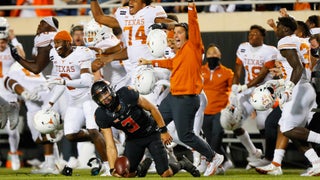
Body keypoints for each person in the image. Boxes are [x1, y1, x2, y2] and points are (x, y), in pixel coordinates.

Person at [139, 1, 224, 176]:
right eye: (175, 32)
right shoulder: (180, 53)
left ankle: (213, 157)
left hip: (186, 98)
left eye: (180, 32)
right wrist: (150, 61)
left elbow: (194, 24)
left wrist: (191, 7)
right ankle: (151, 159)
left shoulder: (193, 46)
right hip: (173, 98)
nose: (176, 35)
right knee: (152, 125)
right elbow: (171, 63)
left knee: (185, 136)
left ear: (188, 35)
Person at [91, 80, 200, 177]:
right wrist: (112, 169)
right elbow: (110, 145)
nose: (104, 98)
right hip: (134, 140)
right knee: (126, 174)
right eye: (100, 97)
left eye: (105, 93)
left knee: (165, 173)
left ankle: (183, 163)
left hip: (151, 133)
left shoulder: (126, 94)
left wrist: (163, 130)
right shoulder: (101, 115)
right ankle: (143, 166)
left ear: (111, 90)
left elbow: (152, 109)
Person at [256, 16, 320, 177]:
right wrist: (280, 84)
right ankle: (315, 163)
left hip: (298, 88)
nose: (276, 30)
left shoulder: (285, 41)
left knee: (288, 128)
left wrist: (288, 89)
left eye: (278, 27)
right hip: (305, 88)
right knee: (287, 128)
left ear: (285, 29)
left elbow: (297, 68)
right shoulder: (301, 41)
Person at [44, 30, 109, 176]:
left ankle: (107, 165)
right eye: (54, 43)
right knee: (70, 135)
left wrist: (64, 81)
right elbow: (60, 83)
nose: (56, 46)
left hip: (88, 97)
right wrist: (49, 104)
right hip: (74, 100)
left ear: (68, 43)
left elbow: (87, 81)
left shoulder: (81, 54)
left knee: (93, 130)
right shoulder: (54, 54)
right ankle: (101, 137)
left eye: (59, 42)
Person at [222, 24, 278, 168]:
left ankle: (269, 158)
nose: (251, 36)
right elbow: (238, 70)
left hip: (263, 91)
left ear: (262, 36)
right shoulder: (243, 47)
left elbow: (263, 74)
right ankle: (253, 152)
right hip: (247, 91)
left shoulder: (270, 50)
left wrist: (245, 86)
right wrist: (235, 87)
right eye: (250, 34)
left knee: (262, 124)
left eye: (255, 34)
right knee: (232, 121)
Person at [90, 0, 177, 86]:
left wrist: (162, 25)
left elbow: (174, 24)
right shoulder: (124, 15)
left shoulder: (150, 12)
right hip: (135, 67)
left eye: (134, 0)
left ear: (144, 3)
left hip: (152, 66)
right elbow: (99, 17)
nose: (131, 2)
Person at [201, 44, 234, 173]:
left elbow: (232, 92)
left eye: (215, 54)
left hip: (220, 110)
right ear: (206, 56)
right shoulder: (200, 71)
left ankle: (212, 164)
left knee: (216, 136)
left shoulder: (227, 72)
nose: (212, 57)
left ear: (220, 56)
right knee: (209, 139)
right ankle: (225, 160)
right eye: (210, 54)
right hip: (204, 110)